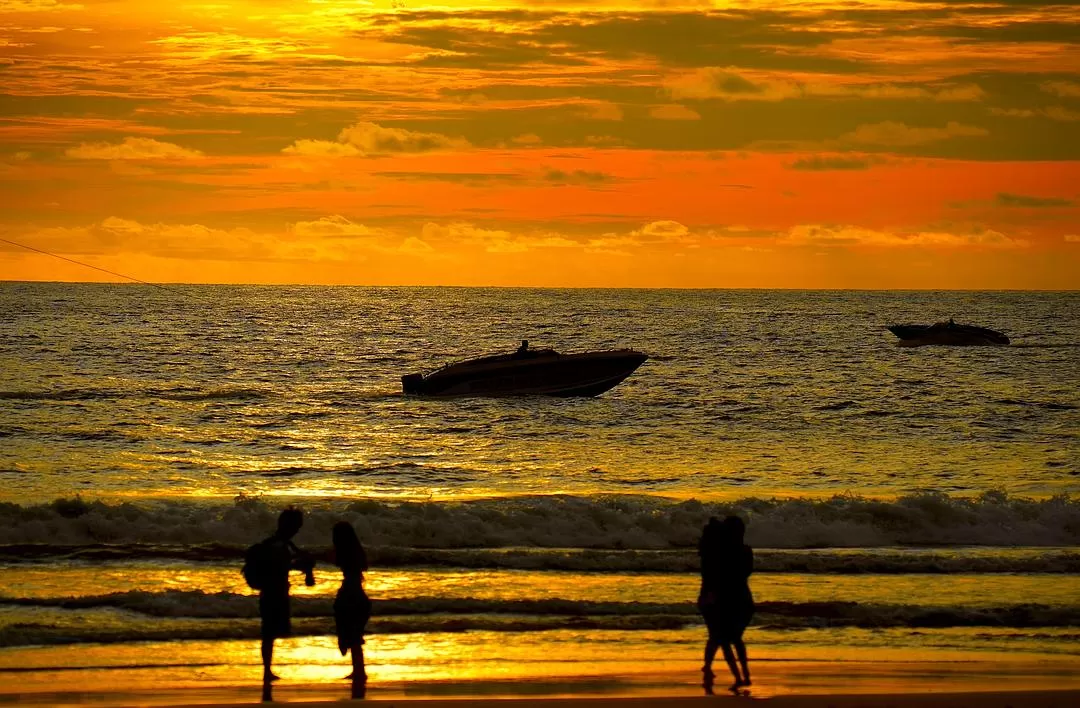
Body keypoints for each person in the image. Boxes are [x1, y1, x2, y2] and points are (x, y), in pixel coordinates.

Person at [697, 515, 754, 692]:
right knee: (731, 638)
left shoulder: (719, 552)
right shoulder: (743, 551)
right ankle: (742, 675)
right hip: (743, 598)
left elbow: (712, 577)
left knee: (721, 638)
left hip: (724, 599)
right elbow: (746, 572)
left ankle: (739, 676)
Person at [258, 507, 315, 683]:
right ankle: (267, 671)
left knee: (269, 633)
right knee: (269, 633)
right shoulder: (279, 545)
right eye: (296, 527)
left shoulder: (280, 543)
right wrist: (298, 565)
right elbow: (279, 567)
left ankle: (267, 670)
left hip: (273, 592)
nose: (297, 530)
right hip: (273, 593)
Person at [332, 521, 372, 683]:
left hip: (353, 595)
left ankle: (358, 670)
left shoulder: (347, 554)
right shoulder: (356, 552)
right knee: (355, 637)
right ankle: (358, 670)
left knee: (353, 636)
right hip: (359, 597)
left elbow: (351, 578)